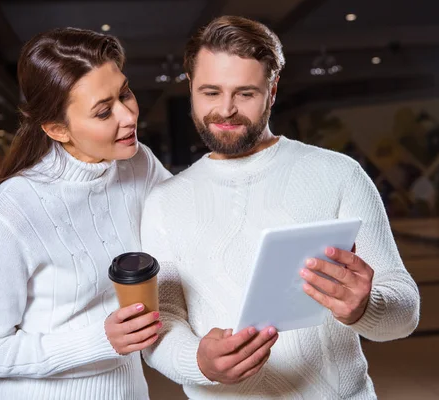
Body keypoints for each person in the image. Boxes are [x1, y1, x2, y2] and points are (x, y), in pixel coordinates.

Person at [141, 16, 420, 399]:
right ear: (190, 86)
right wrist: (198, 361)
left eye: (245, 93)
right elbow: (163, 321)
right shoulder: (163, 201)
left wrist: (364, 308)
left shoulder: (339, 174)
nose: (225, 110)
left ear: (272, 91)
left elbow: (404, 312)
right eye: (210, 92)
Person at [0, 27, 171, 399]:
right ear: (57, 129)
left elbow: (193, 220)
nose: (128, 116)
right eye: (104, 111)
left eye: (125, 93)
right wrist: (99, 339)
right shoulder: (15, 208)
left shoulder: (138, 162)